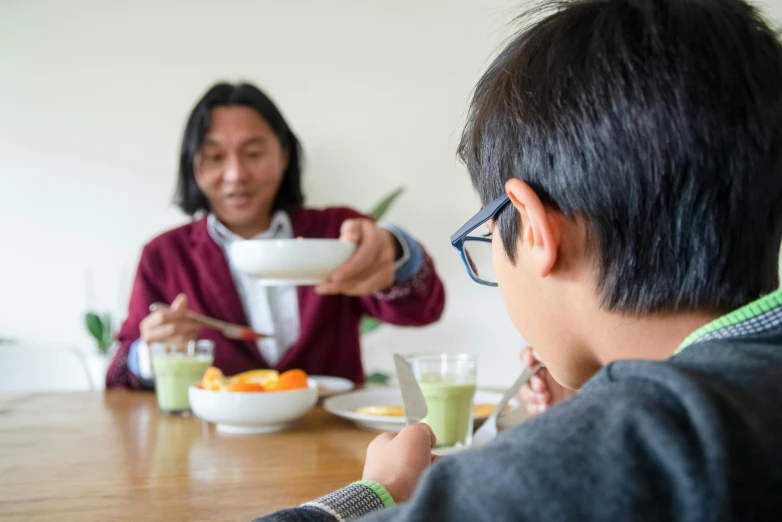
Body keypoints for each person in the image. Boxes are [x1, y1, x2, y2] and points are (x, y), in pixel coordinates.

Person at [255, 0, 782, 519]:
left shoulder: (618, 449)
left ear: (534, 229)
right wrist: (596, 399)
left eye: (485, 239)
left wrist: (381, 489)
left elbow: (417, 296)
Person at [106, 83, 445, 389]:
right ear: (193, 167)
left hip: (332, 440)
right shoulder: (165, 255)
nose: (236, 175)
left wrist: (395, 251)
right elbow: (119, 377)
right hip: (212, 449)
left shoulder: (338, 232)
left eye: (254, 154)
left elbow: (423, 308)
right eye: (213, 157)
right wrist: (148, 354)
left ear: (284, 155)